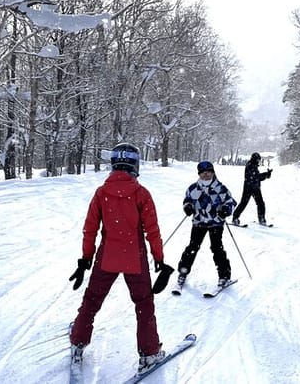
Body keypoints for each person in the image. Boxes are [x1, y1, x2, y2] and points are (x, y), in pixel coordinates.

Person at [68, 142, 170, 374]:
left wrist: (86, 258)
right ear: (135, 164)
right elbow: (152, 231)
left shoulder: (102, 193)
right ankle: (149, 353)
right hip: (135, 257)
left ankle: (78, 341)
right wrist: (159, 259)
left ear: (114, 164)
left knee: (92, 300)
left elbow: (90, 229)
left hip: (107, 256)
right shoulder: (141, 193)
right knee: (144, 304)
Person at [173, 160, 237, 293]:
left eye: (208, 172)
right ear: (199, 174)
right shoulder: (193, 188)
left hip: (216, 223)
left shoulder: (221, 188)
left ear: (213, 172)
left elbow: (231, 201)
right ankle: (183, 272)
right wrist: (188, 207)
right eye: (202, 173)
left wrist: (226, 209)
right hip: (199, 222)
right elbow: (187, 200)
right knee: (192, 247)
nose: (206, 175)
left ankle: (224, 276)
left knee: (216, 248)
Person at [231, 152, 272, 226]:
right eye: (258, 160)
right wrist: (265, 175)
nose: (259, 162)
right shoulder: (250, 165)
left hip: (255, 187)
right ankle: (235, 218)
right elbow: (256, 177)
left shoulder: (254, 165)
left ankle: (261, 219)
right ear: (255, 159)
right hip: (248, 187)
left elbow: (257, 178)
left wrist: (266, 175)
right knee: (244, 203)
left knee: (260, 203)